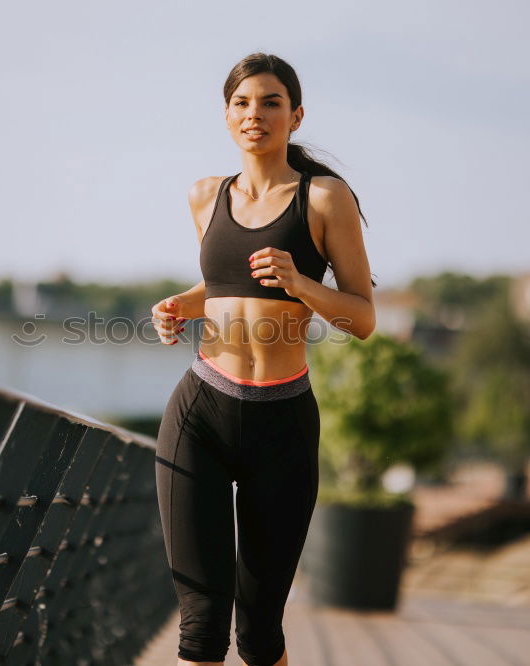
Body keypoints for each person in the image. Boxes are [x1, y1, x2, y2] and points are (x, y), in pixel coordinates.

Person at [150, 52, 376, 666]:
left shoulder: (325, 200)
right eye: (242, 103)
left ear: (295, 116)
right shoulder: (204, 196)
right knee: (199, 625)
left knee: (259, 634)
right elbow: (224, 289)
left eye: (271, 102)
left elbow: (362, 318)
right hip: (201, 409)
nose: (256, 114)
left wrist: (301, 283)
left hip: (282, 422)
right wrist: (178, 305)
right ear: (227, 117)